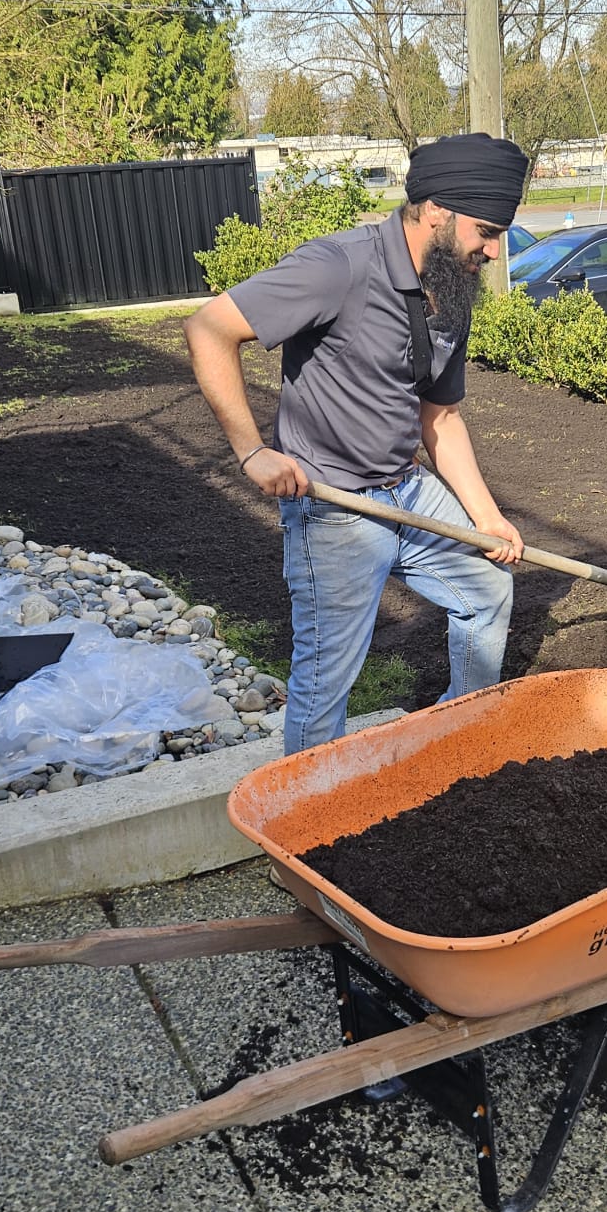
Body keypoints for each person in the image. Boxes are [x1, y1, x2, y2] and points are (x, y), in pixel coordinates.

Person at [186, 131, 529, 754]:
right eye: (486, 230)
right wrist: (251, 451)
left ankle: (461, 742)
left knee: (487, 590)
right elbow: (209, 328)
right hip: (335, 508)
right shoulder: (338, 266)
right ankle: (311, 819)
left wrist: (488, 518)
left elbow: (442, 419)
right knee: (326, 678)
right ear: (436, 210)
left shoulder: (451, 286)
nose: (495, 250)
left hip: (409, 489)